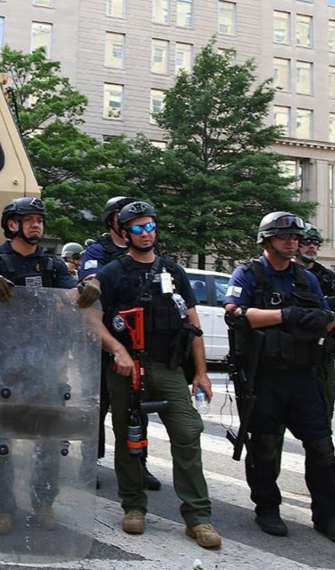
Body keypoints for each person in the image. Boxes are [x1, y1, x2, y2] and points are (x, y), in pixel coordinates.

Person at [85, 201, 221, 548]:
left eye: (150, 227)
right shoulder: (113, 272)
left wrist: (201, 373)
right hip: (126, 368)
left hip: (168, 366)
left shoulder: (173, 271)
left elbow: (193, 324)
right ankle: (133, 507)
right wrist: (118, 351)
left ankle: (198, 518)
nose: (146, 234)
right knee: (129, 439)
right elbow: (89, 317)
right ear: (125, 232)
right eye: (138, 228)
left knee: (188, 432)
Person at [224, 211, 335, 545]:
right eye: (285, 237)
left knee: (322, 447)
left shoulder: (305, 277)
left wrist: (317, 320)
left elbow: (327, 319)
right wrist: (285, 315)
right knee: (265, 446)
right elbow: (236, 314)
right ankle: (267, 507)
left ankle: (327, 515)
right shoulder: (249, 273)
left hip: (304, 375)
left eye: (296, 237)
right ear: (266, 240)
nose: (292, 242)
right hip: (264, 377)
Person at [0, 196, 76, 535]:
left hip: (45, 360)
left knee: (49, 437)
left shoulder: (52, 264)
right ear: (11, 224)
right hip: (2, 358)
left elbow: (72, 297)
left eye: (39, 220)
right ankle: (3, 507)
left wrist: (88, 289)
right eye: (28, 219)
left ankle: (44, 504)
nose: (36, 225)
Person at [80, 196, 162, 492]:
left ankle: (139, 462)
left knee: (137, 406)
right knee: (98, 404)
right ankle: (89, 463)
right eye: (121, 215)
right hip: (103, 338)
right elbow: (90, 281)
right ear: (112, 220)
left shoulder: (146, 247)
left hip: (136, 339)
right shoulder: (98, 250)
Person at [294, 223, 335, 426]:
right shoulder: (286, 273)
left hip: (322, 349)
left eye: (315, 243)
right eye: (306, 242)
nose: (311, 247)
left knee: (323, 409)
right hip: (290, 347)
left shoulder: (327, 277)